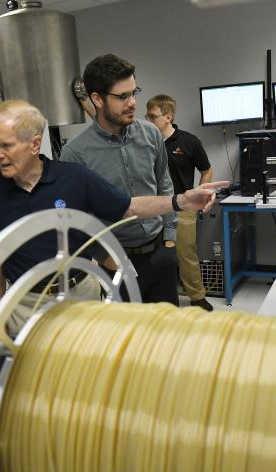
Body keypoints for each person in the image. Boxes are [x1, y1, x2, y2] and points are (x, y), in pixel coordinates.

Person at [0, 99, 226, 331]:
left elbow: (130, 206)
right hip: (24, 306)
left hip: (80, 297)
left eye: (6, 145)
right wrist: (0, 314)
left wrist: (180, 200)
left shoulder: (73, 178)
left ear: (34, 144)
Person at [61, 54, 180, 304]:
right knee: (128, 337)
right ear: (97, 99)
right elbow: (78, 216)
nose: (133, 103)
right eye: (122, 96)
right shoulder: (75, 153)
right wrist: (102, 255)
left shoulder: (150, 134)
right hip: (116, 262)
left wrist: (170, 236)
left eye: (134, 92)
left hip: (160, 252)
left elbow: (164, 184)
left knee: (167, 333)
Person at [146, 94, 215, 311]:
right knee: (156, 255)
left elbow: (207, 170)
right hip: (153, 207)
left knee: (186, 254)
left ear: (168, 116)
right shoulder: (145, 142)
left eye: (152, 116)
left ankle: (196, 296)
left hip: (182, 207)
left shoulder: (189, 141)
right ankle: (161, 297)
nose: (148, 121)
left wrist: (201, 193)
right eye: (146, 116)